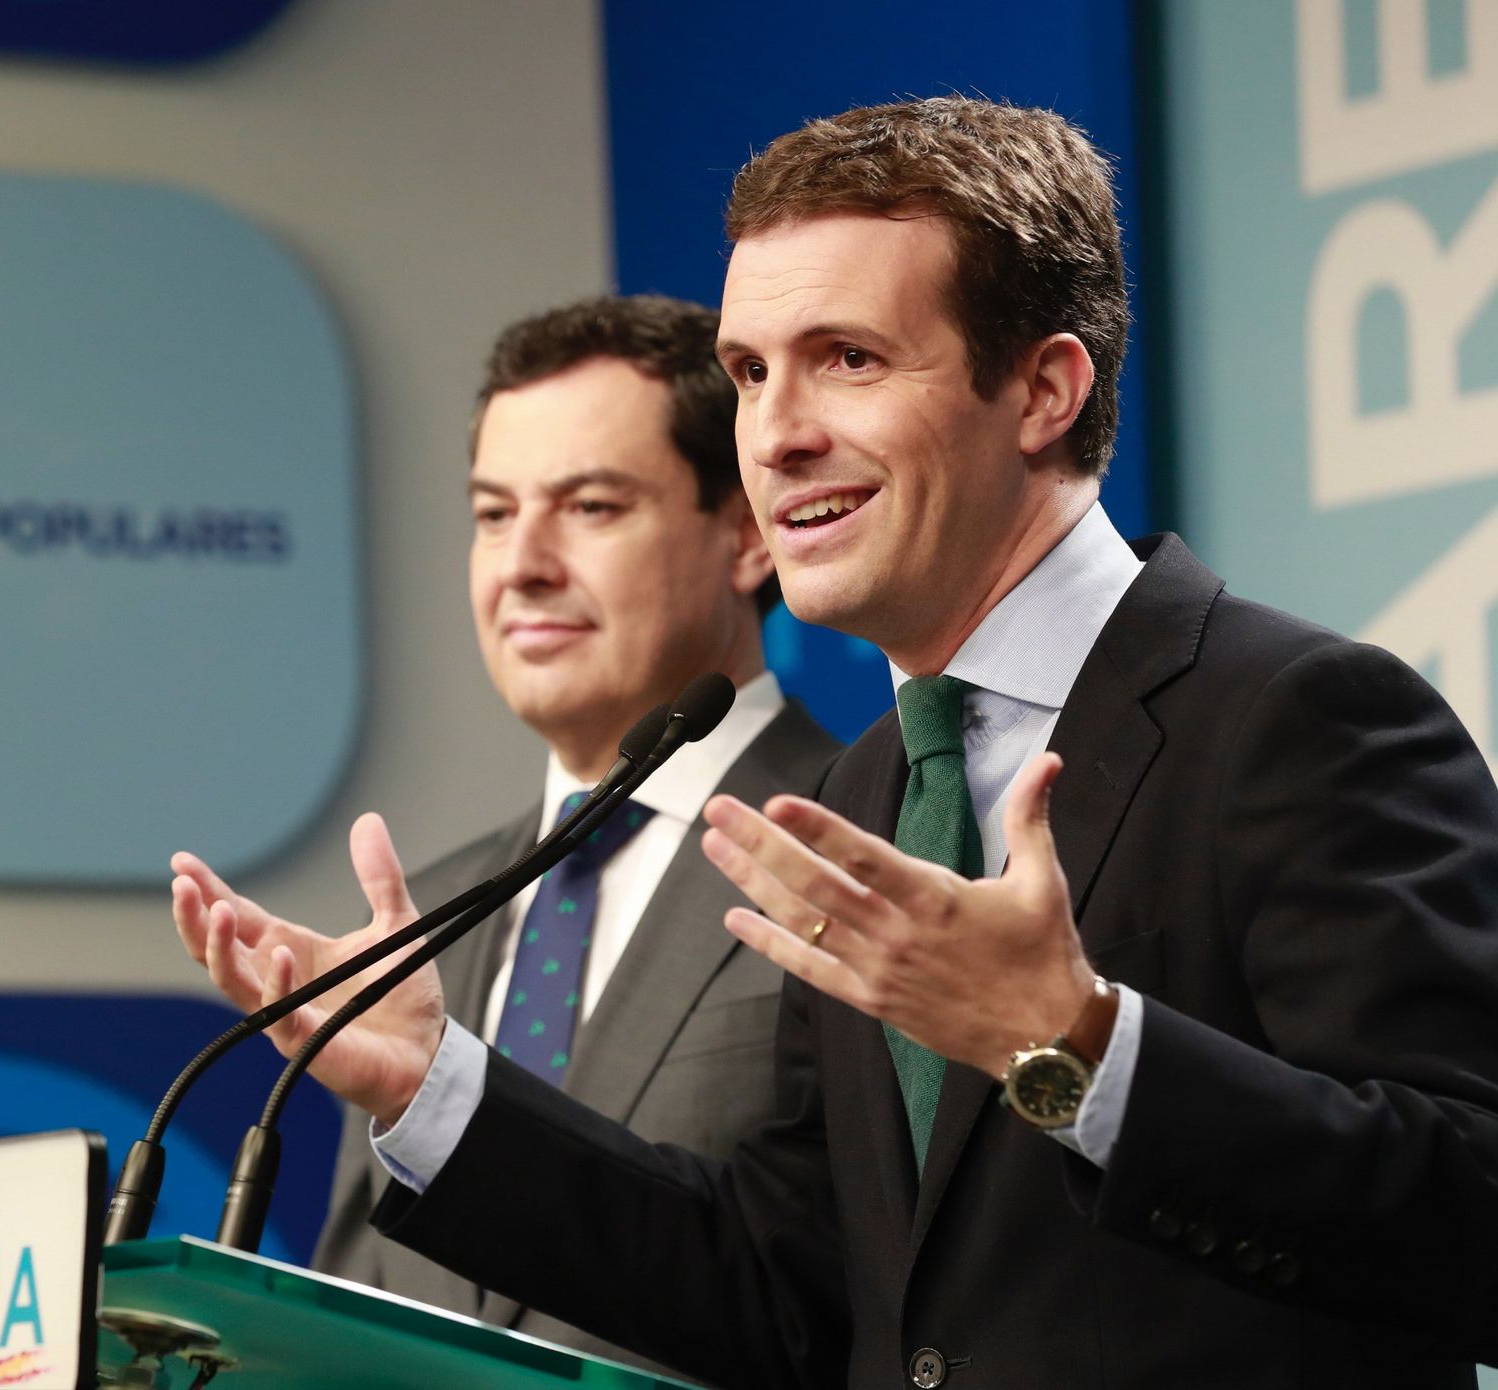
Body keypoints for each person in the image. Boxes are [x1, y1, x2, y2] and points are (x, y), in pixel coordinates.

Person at [187, 99, 1498, 1388]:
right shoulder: (863, 793)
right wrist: (441, 1093)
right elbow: (795, 1293)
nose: (776, 430)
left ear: (1043, 388)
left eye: (849, 359)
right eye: (751, 371)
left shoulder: (1300, 717)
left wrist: (1079, 1045)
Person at [170, 294, 840, 1374]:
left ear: (750, 535)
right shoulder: (423, 918)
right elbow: (369, 1315)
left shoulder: (864, 844)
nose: (522, 563)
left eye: (590, 507)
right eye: (492, 514)